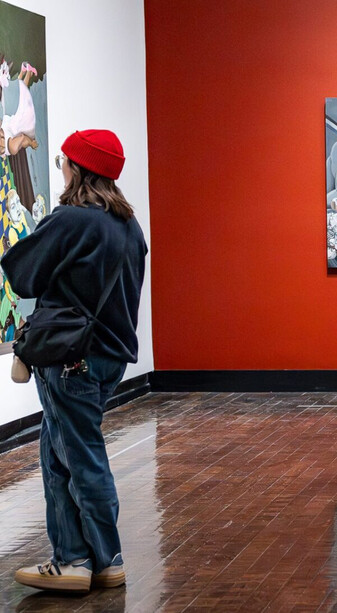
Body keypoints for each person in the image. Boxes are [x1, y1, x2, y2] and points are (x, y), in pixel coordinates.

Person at [1, 129, 147, 592]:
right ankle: (77, 559)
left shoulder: (71, 219)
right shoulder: (129, 226)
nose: (60, 167)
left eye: (64, 160)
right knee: (56, 452)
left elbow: (22, 274)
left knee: (81, 457)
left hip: (71, 360)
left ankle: (103, 557)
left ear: (79, 169)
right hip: (109, 359)